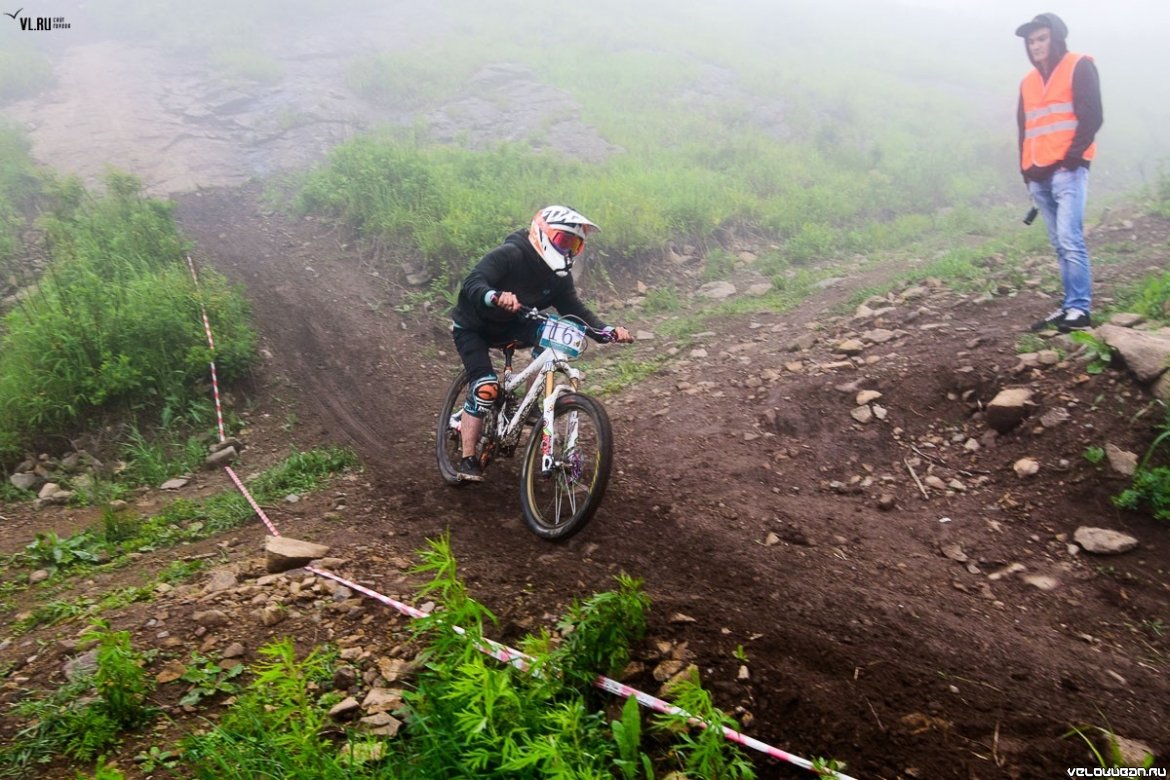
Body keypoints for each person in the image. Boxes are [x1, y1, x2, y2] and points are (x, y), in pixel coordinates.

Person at [448, 205, 633, 482]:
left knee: (556, 338)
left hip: (516, 323)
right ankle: (467, 460)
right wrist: (495, 295)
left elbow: (576, 310)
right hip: (474, 327)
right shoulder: (512, 254)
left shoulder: (558, 277)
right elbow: (474, 282)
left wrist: (607, 332)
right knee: (486, 388)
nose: (568, 251)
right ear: (541, 233)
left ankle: (530, 402)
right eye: (563, 241)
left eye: (575, 245)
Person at [1016, 13, 1103, 333]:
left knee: (1070, 238)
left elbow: (1093, 116)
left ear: (1056, 38)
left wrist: (1071, 159)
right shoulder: (1027, 81)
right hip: (1038, 175)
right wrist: (1026, 172)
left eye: (1041, 38)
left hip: (1068, 170)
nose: (1035, 46)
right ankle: (1069, 307)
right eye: (1031, 41)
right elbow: (1024, 129)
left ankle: (1080, 310)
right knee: (1058, 243)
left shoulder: (1079, 65)